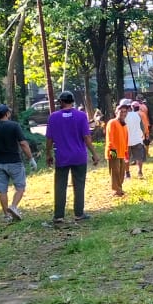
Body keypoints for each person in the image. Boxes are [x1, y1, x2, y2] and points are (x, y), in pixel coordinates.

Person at [44, 90, 98, 224]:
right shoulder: (81, 116)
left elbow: (49, 139)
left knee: (60, 186)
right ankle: (79, 213)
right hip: (79, 156)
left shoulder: (53, 117)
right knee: (79, 185)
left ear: (61, 102)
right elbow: (86, 137)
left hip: (62, 157)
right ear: (72, 102)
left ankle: (58, 216)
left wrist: (48, 154)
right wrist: (94, 153)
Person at [0, 103, 36, 223]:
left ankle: (6, 215)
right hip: (14, 161)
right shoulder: (14, 126)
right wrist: (31, 159)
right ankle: (13, 207)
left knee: (2, 191)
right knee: (20, 187)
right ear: (7, 114)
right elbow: (23, 144)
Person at [106, 103, 131, 197]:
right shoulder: (112, 122)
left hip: (122, 152)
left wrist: (126, 152)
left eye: (125, 112)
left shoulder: (124, 125)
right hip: (114, 152)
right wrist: (113, 152)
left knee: (121, 172)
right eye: (121, 111)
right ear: (116, 112)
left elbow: (125, 140)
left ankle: (119, 189)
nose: (123, 113)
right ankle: (116, 190)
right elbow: (110, 139)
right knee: (115, 171)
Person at [125, 100, 148, 180]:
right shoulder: (137, 115)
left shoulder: (123, 117)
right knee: (139, 157)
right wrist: (143, 135)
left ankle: (127, 174)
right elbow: (142, 127)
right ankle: (140, 172)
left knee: (126, 158)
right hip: (137, 139)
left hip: (126, 141)